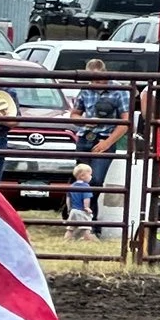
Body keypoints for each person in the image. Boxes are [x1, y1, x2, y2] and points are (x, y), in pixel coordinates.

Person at [68, 60, 130, 239]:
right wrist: (84, 121)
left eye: (99, 80)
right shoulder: (86, 90)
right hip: (85, 138)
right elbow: (74, 114)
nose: (96, 83)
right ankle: (84, 223)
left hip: (104, 138)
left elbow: (125, 122)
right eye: (93, 80)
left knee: (95, 180)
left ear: (105, 74)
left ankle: (87, 221)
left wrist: (108, 143)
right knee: (82, 181)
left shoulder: (119, 91)